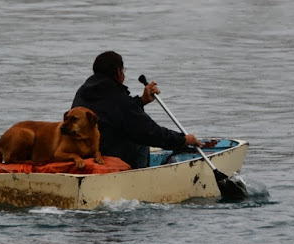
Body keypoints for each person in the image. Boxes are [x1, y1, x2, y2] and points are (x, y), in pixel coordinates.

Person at [71, 51, 202, 169]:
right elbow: (150, 132)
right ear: (118, 72)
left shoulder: (83, 92)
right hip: (110, 156)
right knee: (141, 140)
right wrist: (183, 140)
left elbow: (112, 112)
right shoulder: (118, 99)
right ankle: (140, 178)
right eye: (123, 70)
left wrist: (142, 101)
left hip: (84, 152)